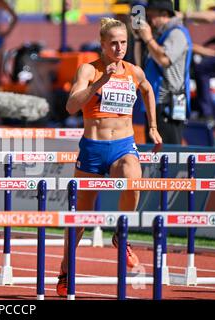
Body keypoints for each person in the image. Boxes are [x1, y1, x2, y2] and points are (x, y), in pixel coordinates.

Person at [56, 17, 163, 297]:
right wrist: (99, 82)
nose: (119, 48)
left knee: (132, 176)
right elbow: (70, 106)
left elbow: (149, 90)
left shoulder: (133, 72)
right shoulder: (88, 70)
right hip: (93, 148)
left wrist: (152, 126)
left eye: (123, 42)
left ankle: (121, 234)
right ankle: (66, 270)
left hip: (123, 146)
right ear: (102, 45)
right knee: (81, 217)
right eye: (113, 43)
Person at [135, 0, 193, 144]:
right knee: (153, 152)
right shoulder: (159, 36)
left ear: (164, 14)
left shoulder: (177, 33)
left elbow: (164, 59)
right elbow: (139, 67)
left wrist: (148, 38)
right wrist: (138, 38)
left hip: (169, 103)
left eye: (152, 16)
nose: (150, 22)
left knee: (168, 150)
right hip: (154, 101)